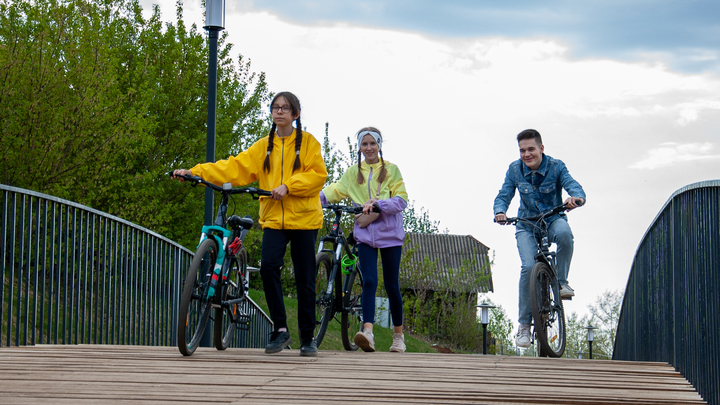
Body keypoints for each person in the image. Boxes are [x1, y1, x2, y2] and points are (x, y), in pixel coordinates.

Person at [173, 91, 327, 357]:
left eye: (285, 108)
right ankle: (280, 329)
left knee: (305, 278)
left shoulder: (309, 144)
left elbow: (317, 176)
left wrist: (288, 187)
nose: (279, 112)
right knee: (268, 268)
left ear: (295, 114)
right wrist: (195, 172)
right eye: (275, 107)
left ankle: (307, 336)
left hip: (304, 219)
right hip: (273, 220)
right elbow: (233, 168)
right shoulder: (262, 146)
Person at [493, 129, 585, 349]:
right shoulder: (515, 169)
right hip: (526, 224)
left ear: (541, 148)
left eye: (531, 149)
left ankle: (561, 282)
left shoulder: (556, 166)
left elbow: (572, 184)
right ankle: (524, 325)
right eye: (522, 150)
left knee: (564, 234)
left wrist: (576, 197)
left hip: (553, 219)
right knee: (528, 267)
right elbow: (504, 193)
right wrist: (500, 211)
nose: (527, 154)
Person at [320, 127, 408, 353]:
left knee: (392, 285)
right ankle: (367, 332)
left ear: (379, 145)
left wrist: (379, 205)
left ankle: (398, 336)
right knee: (369, 280)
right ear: (359, 147)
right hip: (365, 234)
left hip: (390, 235)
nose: (368, 148)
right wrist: (313, 199)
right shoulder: (352, 173)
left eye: (372, 143)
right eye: (364, 144)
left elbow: (401, 200)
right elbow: (336, 191)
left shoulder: (391, 170)